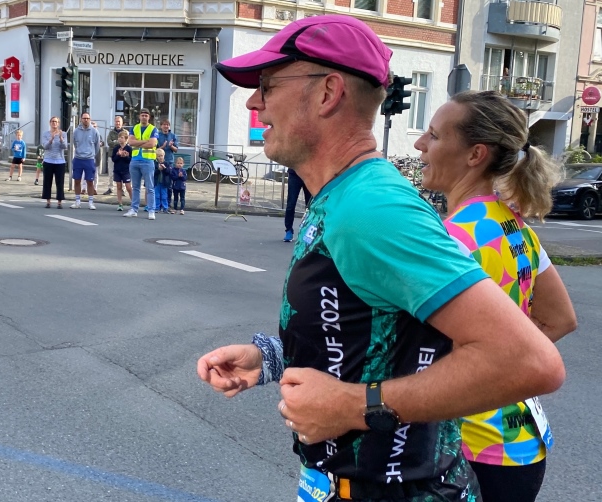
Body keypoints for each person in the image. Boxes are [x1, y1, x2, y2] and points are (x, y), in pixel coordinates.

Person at [196, 15, 565, 502]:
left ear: (328, 93)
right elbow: (382, 333)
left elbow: (529, 362)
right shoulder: (344, 194)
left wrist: (353, 406)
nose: (253, 102)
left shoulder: (372, 209)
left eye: (268, 85)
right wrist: (270, 358)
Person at [414, 90, 577, 502]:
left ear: (475, 154)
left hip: (468, 448)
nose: (420, 144)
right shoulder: (514, 224)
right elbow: (559, 319)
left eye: (434, 135)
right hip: (521, 444)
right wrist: (507, 365)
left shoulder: (450, 240)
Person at [124, 108, 158, 220]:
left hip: (147, 161)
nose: (144, 117)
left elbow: (152, 144)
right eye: (142, 115)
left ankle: (151, 210)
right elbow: (130, 142)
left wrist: (137, 143)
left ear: (149, 117)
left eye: (146, 115)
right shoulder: (135, 128)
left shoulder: (153, 129)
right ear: (139, 116)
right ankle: (134, 209)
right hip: (135, 160)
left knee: (150, 187)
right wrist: (145, 141)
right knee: (135, 187)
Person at [71, 112, 101, 210]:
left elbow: (97, 146)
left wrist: (91, 154)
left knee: (90, 181)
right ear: (81, 119)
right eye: (84, 118)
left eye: (87, 118)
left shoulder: (94, 132)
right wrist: (79, 151)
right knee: (77, 180)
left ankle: (91, 202)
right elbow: (75, 143)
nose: (86, 120)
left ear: (90, 119)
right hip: (78, 159)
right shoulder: (76, 131)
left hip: (89, 159)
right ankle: (77, 201)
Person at [41, 116, 67, 209]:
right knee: (47, 182)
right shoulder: (45, 134)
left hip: (60, 161)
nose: (54, 123)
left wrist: (61, 139)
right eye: (52, 121)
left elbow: (65, 146)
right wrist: (51, 139)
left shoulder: (63, 134)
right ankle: (48, 201)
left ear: (58, 123)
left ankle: (59, 202)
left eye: (56, 121)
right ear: (50, 123)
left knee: (60, 182)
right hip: (48, 160)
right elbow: (45, 147)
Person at [283, 168, 310, 242]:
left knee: (310, 206)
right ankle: (288, 230)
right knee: (291, 204)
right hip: (294, 174)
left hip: (309, 174)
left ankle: (308, 231)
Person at [157, 118, 178, 208]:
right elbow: (155, 149)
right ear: (161, 126)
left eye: (167, 125)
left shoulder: (173, 135)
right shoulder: (157, 135)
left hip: (169, 161)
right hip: (158, 161)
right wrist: (162, 146)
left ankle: (168, 204)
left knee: (168, 184)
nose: (166, 126)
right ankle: (158, 204)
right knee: (158, 183)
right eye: (164, 125)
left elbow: (176, 149)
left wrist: (171, 146)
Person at [103, 115, 126, 195]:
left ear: (122, 123)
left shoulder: (125, 132)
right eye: (116, 122)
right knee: (111, 173)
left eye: (119, 122)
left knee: (122, 172)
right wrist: (119, 142)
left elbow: (126, 142)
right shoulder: (111, 132)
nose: (117, 123)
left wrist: (115, 142)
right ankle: (110, 188)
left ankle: (123, 190)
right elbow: (109, 143)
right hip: (112, 155)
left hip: (122, 156)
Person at [112, 129, 133, 211]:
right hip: (117, 170)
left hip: (126, 170)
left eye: (122, 137)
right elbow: (113, 159)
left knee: (128, 187)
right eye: (119, 137)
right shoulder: (116, 148)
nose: (120, 139)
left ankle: (133, 203)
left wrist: (126, 156)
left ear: (126, 139)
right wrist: (118, 155)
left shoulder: (129, 148)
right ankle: (120, 204)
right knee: (118, 186)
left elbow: (130, 160)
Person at [153, 148, 171, 213]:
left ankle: (165, 207)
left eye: (161, 156)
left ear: (164, 155)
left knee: (164, 196)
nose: (160, 157)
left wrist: (164, 168)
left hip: (164, 183)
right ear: (156, 157)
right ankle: (157, 207)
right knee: (157, 196)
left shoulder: (166, 163)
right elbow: (153, 173)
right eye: (159, 156)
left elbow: (169, 172)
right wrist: (158, 169)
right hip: (157, 182)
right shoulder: (155, 163)